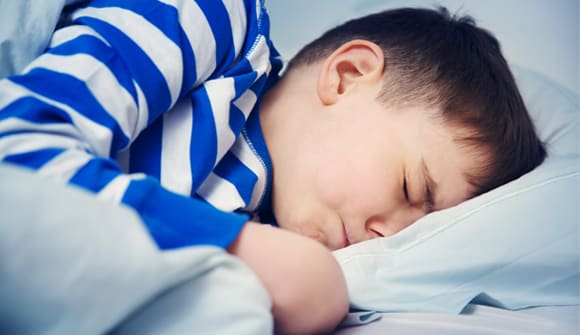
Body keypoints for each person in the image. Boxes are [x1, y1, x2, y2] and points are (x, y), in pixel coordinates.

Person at [0, 1, 546, 333]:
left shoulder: (261, 208)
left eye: (414, 230)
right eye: (410, 186)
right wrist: (253, 252)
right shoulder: (215, 20)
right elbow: (17, 142)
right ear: (348, 75)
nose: (387, 233)